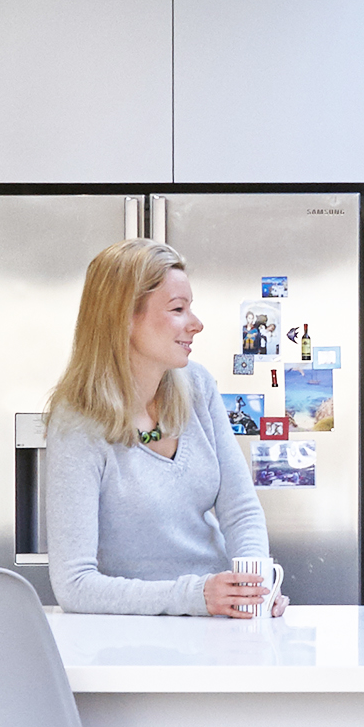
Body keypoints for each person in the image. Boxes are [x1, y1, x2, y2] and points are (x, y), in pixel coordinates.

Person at [41, 239, 273, 618]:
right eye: (178, 309)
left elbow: (241, 511)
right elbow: (74, 585)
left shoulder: (198, 388)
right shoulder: (77, 421)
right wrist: (196, 596)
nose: (196, 324)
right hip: (126, 638)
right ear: (123, 319)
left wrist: (251, 588)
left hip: (214, 623)